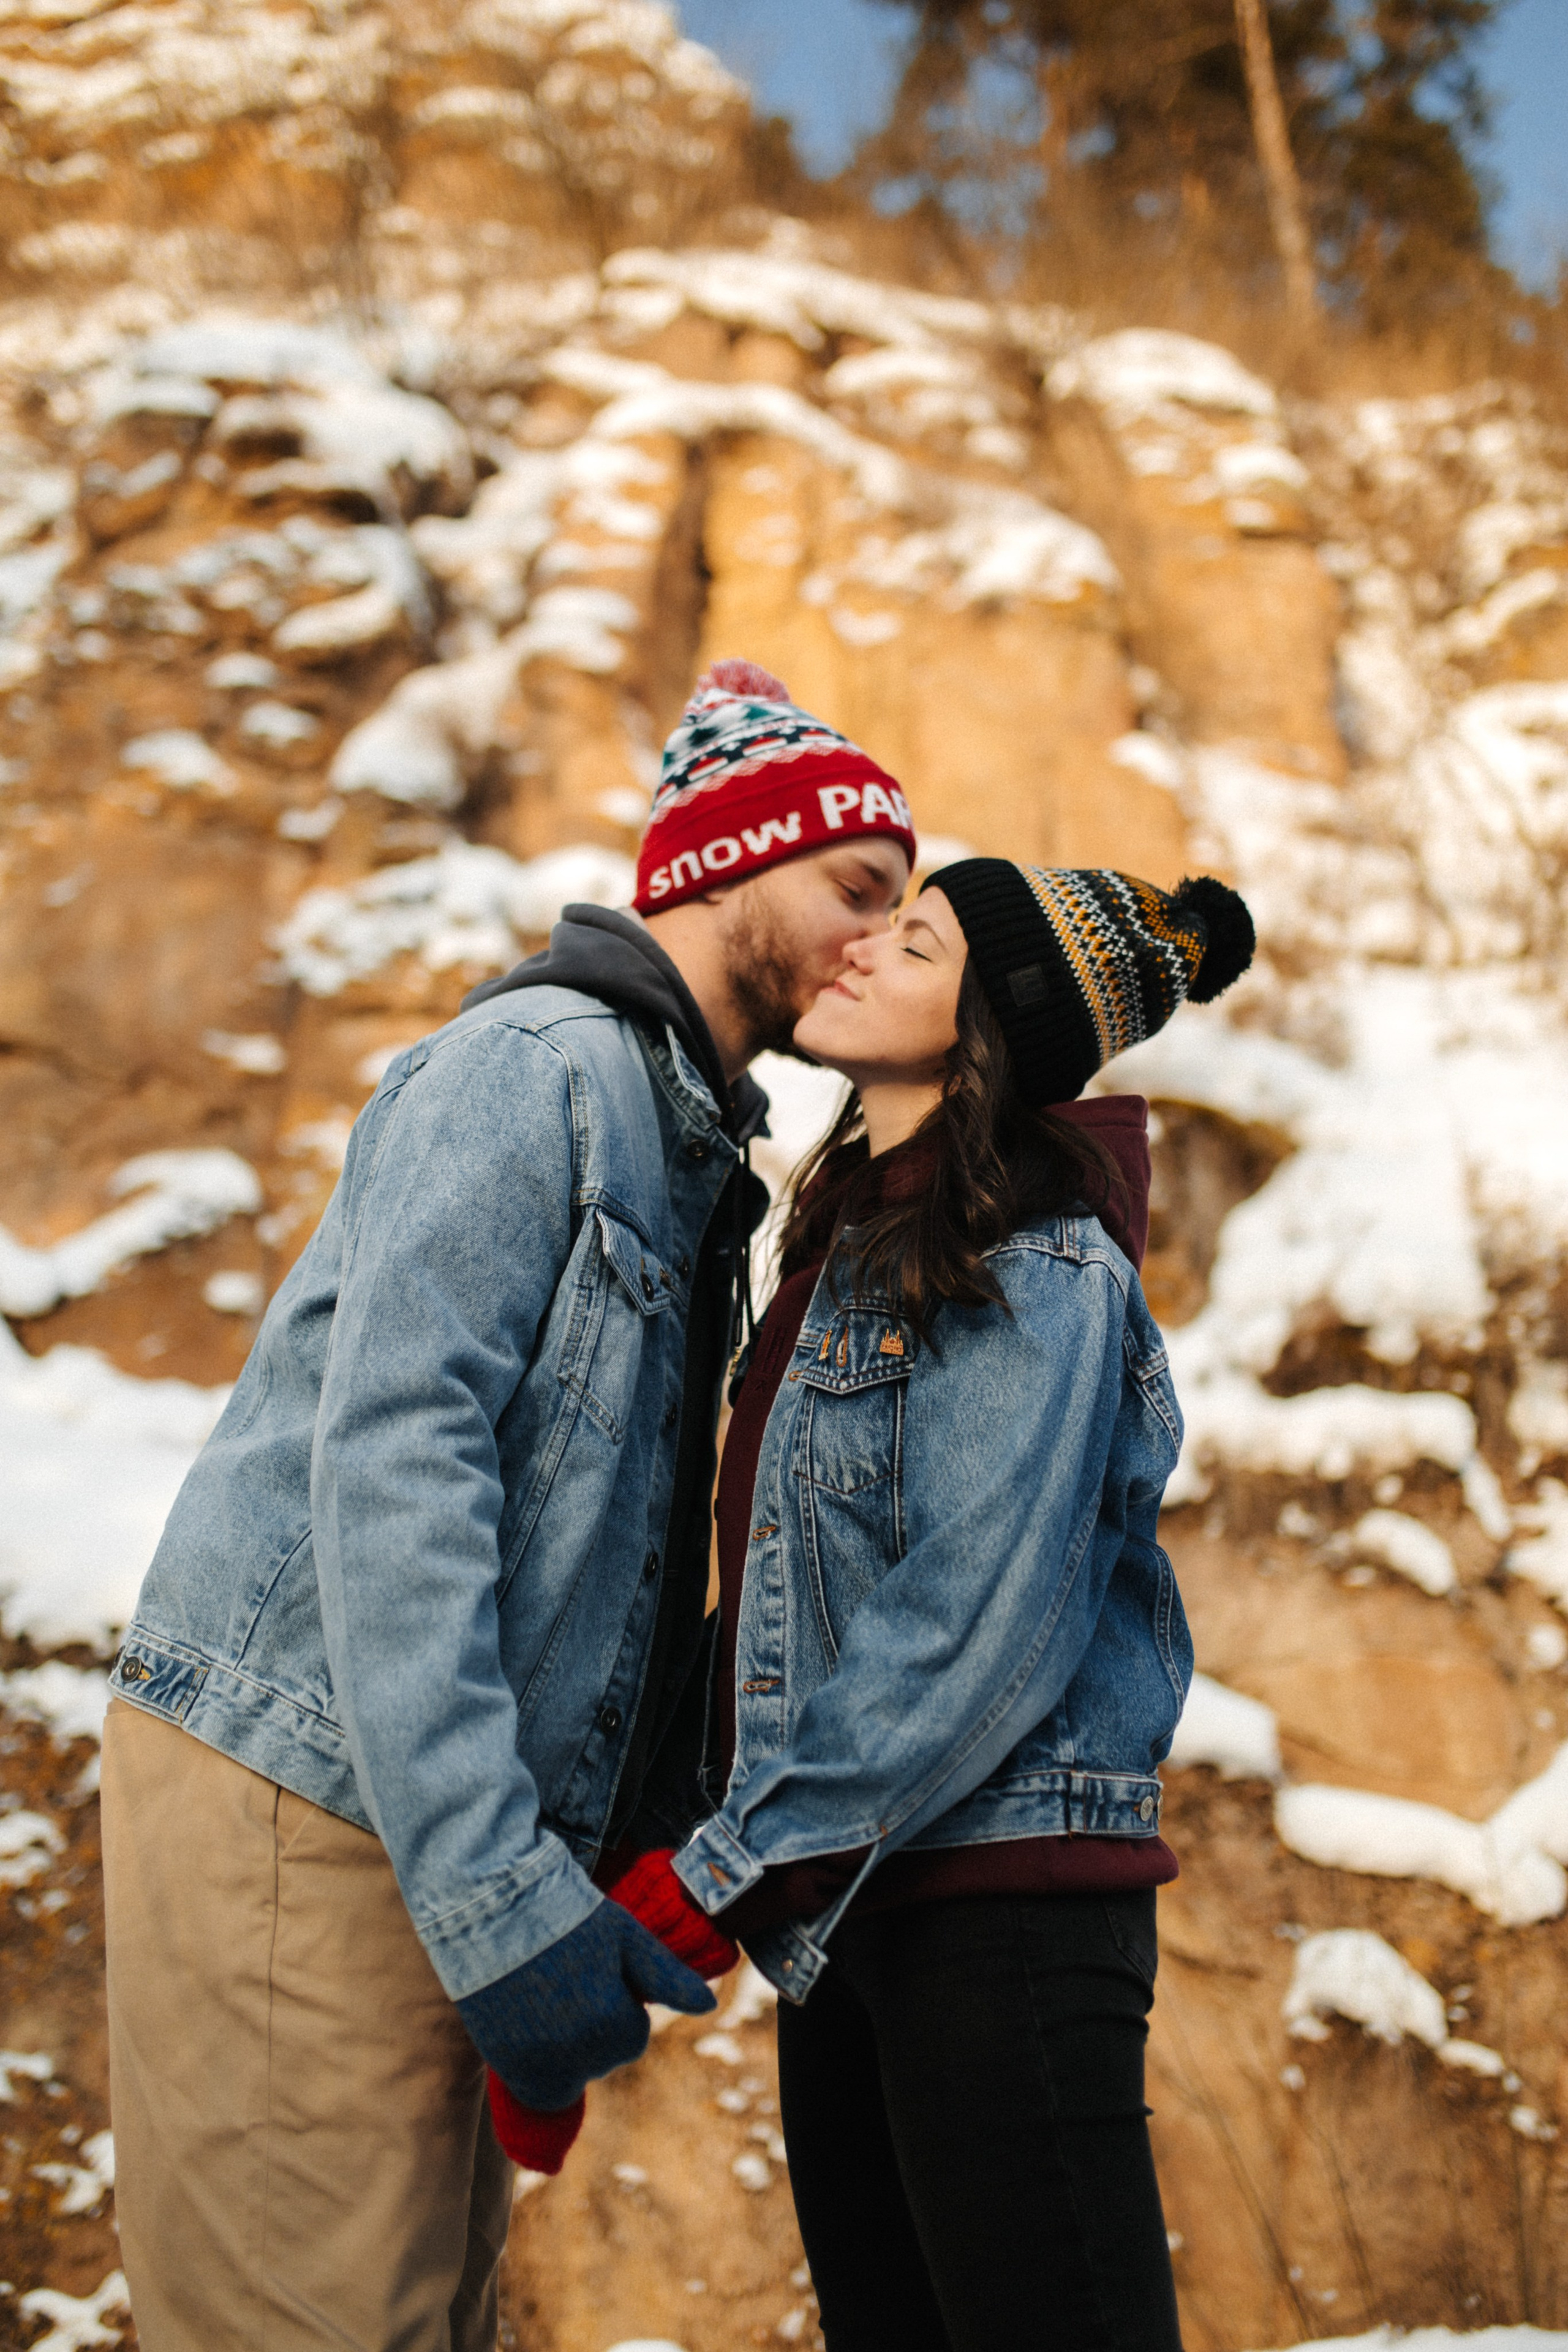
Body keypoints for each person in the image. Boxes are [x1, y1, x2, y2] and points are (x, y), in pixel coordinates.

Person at [98, 658, 914, 2352]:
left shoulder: (688, 1147)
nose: (873, 937)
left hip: (407, 1804)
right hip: (307, 1787)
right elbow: (399, 1463)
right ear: (724, 861)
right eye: (858, 886)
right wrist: (498, 1900)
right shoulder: (536, 1067)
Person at [673, 858, 1256, 2352]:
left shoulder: (1035, 1264)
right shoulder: (845, 1245)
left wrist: (734, 1856)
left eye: (915, 941)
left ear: (988, 1026)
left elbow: (969, 1622)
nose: (862, 947)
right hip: (849, 1909)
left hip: (995, 1912)